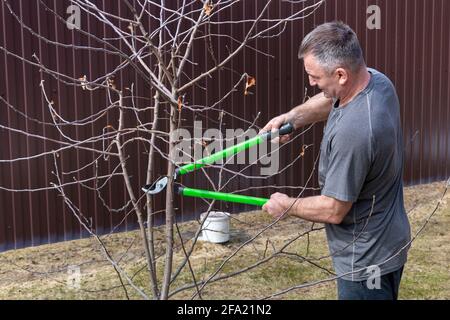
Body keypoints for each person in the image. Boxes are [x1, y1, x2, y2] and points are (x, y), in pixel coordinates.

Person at [261, 21, 411, 300]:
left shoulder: (355, 132)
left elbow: (333, 209)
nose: (311, 82)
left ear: (341, 74)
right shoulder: (377, 82)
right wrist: (292, 120)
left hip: (366, 261)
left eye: (315, 77)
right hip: (388, 239)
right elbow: (329, 100)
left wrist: (287, 206)